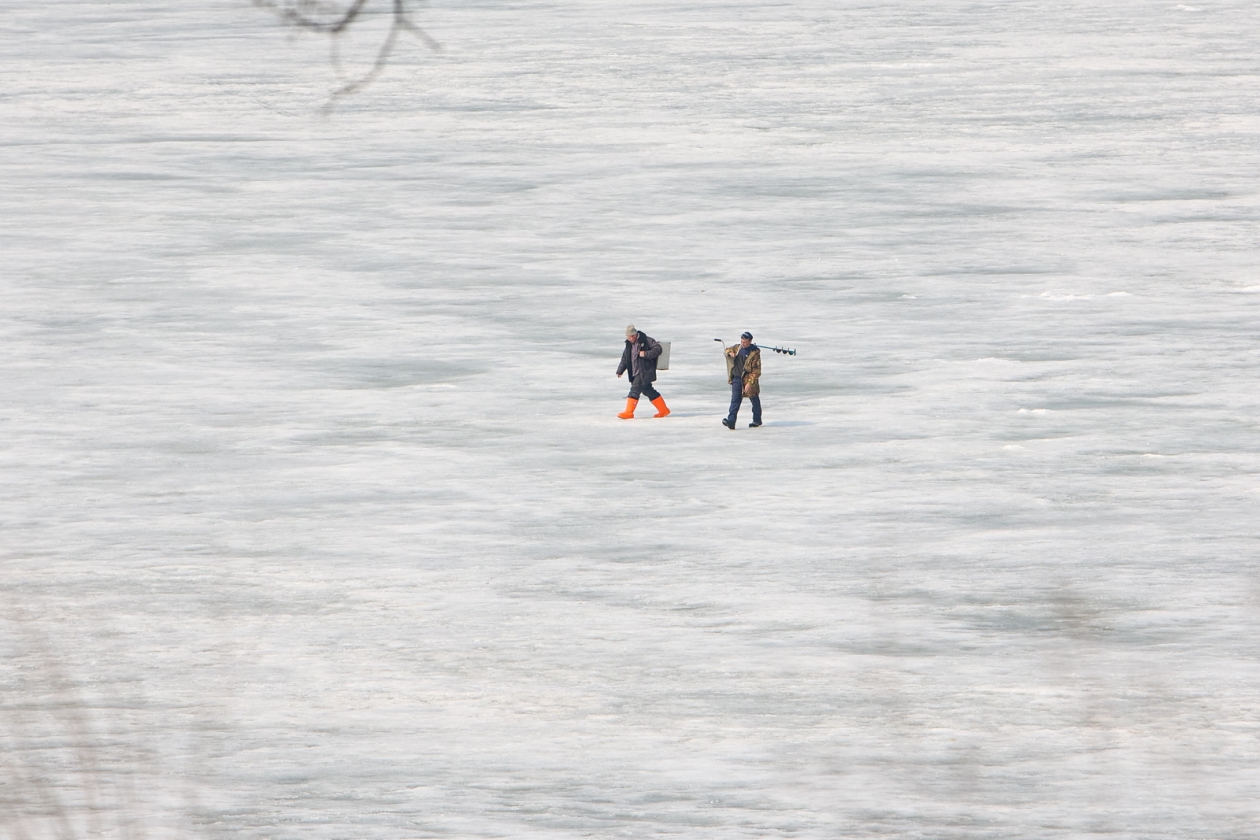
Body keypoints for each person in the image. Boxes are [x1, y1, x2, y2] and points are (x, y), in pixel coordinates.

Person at [616, 325, 670, 419]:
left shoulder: (646, 340)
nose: (628, 339)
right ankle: (664, 410)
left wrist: (645, 354)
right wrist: (620, 370)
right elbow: (625, 359)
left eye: (629, 337)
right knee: (648, 390)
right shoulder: (629, 345)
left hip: (644, 371)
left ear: (634, 335)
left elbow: (658, 349)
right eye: (627, 337)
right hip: (635, 372)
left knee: (634, 390)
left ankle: (629, 412)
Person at [722, 331, 761, 429]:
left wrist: (750, 383)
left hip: (748, 379)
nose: (743, 343)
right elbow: (727, 350)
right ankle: (731, 420)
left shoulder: (754, 353)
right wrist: (730, 353)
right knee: (735, 400)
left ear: (750, 341)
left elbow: (756, 371)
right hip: (736, 378)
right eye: (741, 341)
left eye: (745, 342)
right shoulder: (738, 347)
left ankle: (757, 420)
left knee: (754, 399)